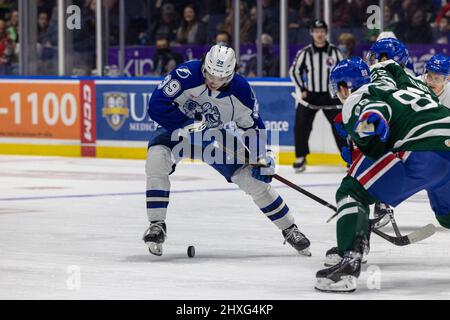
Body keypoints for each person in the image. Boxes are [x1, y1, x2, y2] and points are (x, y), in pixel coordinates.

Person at [142, 45, 311, 257]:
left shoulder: (241, 92)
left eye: (220, 77)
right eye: (209, 73)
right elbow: (156, 105)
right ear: (204, 65)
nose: (213, 80)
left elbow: (252, 125)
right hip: (177, 131)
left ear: (231, 74)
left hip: (215, 135)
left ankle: (290, 228)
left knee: (251, 179)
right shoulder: (186, 74)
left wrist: (261, 156)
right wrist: (185, 122)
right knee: (156, 159)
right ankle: (157, 225)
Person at [315, 57, 450, 293]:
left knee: (352, 190)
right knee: (448, 216)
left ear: (344, 87)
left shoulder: (359, 96)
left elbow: (375, 116)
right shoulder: (410, 85)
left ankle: (348, 263)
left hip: (424, 151)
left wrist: (365, 138)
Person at [289, 20, 346, 172]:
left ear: (326, 32)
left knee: (341, 127)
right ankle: (300, 158)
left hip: (331, 96)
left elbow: (343, 70)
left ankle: (349, 159)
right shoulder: (305, 52)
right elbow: (294, 71)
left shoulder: (335, 51)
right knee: (300, 125)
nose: (319, 34)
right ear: (312, 33)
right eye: (316, 31)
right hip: (311, 96)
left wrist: (341, 89)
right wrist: (302, 88)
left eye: (322, 31)